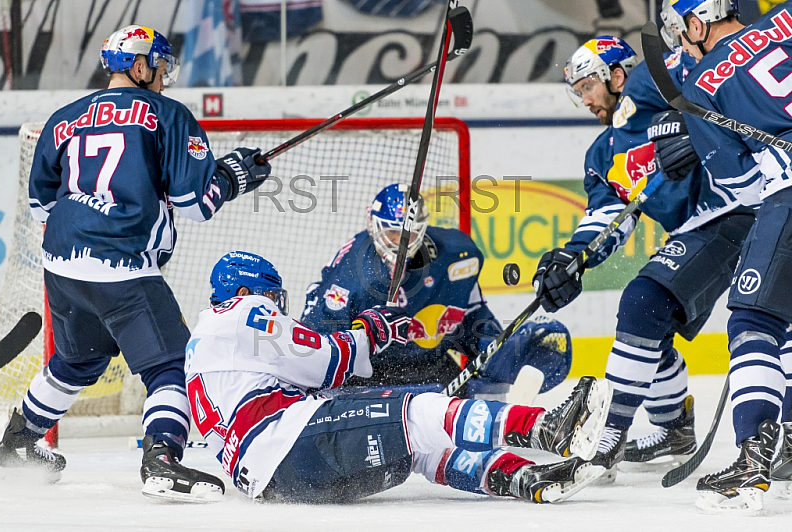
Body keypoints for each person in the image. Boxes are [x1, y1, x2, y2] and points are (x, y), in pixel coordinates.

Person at [0, 25, 271, 502]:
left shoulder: (64, 118)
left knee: (78, 358)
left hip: (60, 265)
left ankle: (19, 439)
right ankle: (162, 459)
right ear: (140, 67)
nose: (164, 79)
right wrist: (232, 175)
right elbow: (194, 202)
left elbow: (42, 205)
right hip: (122, 268)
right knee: (173, 365)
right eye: (160, 68)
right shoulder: (168, 114)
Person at [184, 250, 614, 504]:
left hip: (283, 478)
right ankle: (546, 428)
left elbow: (313, 382)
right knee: (419, 410)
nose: (277, 306)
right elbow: (324, 361)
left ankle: (523, 478)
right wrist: (371, 329)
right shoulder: (242, 314)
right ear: (245, 293)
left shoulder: (205, 343)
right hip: (289, 443)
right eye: (272, 296)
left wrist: (366, 338)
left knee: (418, 448)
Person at [537, 29, 755, 482]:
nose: (586, 102)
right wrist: (573, 258)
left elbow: (727, 73)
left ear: (617, 75)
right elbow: (608, 216)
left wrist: (696, 134)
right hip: (706, 224)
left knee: (644, 302)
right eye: (578, 94)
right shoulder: (602, 154)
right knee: (649, 315)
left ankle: (607, 438)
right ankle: (673, 428)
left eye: (588, 88)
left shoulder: (651, 82)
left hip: (742, 201)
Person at [658, 0, 792, 513]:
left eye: (680, 27)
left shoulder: (703, 87)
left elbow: (742, 186)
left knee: (756, 320)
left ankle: (753, 451)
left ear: (697, 22)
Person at [300, 183, 573, 402]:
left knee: (549, 337)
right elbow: (316, 345)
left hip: (434, 374)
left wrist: (496, 354)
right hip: (371, 383)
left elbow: (473, 318)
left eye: (407, 234)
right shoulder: (351, 273)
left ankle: (514, 415)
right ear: (374, 225)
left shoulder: (456, 256)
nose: (400, 244)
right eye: (392, 234)